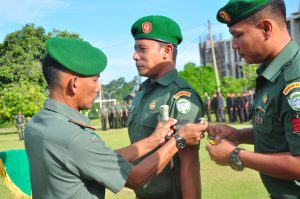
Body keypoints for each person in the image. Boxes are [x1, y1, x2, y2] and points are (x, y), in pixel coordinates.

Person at [24, 37, 208, 199]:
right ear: (73, 84)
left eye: (142, 48)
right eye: (95, 80)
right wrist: (178, 139)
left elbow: (98, 158)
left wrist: (153, 141)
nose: (98, 88)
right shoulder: (74, 136)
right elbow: (135, 177)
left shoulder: (38, 123)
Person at [206, 0, 300, 198]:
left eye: (238, 35)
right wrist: (239, 135)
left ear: (266, 28)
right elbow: (280, 133)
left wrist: (235, 155)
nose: (233, 45)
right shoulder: (273, 74)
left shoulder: (295, 79)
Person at [128, 15, 204, 199]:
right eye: (135, 48)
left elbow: (189, 162)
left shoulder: (180, 96)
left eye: (142, 49)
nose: (135, 55)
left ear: (167, 50)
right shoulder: (143, 91)